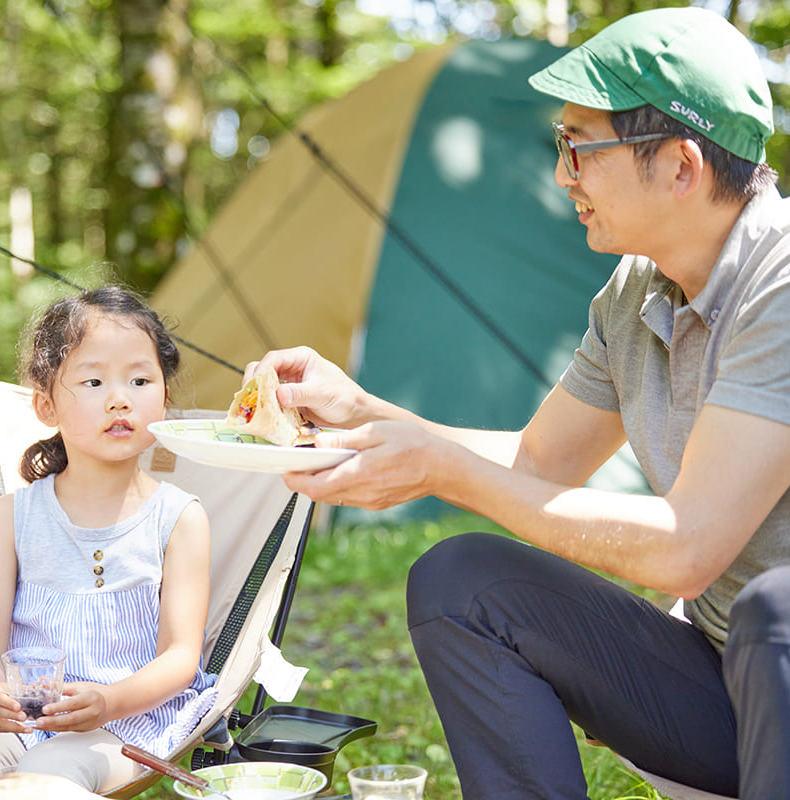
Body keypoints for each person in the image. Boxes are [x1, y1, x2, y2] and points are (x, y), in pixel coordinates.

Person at [249, 8, 790, 799]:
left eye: (579, 148)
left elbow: (688, 550)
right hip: (726, 692)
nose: (562, 173)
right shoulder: (636, 292)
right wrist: (362, 411)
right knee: (461, 581)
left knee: (776, 608)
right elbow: (539, 459)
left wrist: (442, 472)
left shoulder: (779, 285)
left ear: (680, 166)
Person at [0, 285, 217, 792]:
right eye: (95, 380)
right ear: (46, 405)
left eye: (141, 380)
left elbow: (179, 658)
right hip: (20, 719)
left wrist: (108, 701)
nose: (120, 398)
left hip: (123, 725)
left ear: (164, 400)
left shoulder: (179, 519)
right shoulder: (10, 516)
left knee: (53, 774)